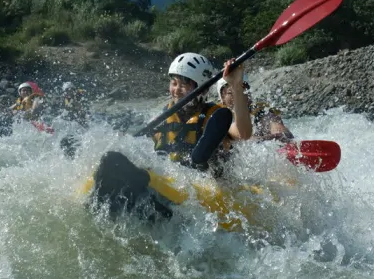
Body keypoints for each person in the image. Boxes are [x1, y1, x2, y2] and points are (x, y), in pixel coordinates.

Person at [88, 52, 252, 221]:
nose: (176, 90)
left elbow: (244, 133)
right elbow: (134, 147)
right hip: (168, 182)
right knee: (112, 160)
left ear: (201, 87)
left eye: (184, 84)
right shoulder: (161, 117)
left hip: (203, 191)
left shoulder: (216, 117)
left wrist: (236, 85)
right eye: (174, 83)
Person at [216, 73, 294, 142]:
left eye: (242, 89)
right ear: (222, 98)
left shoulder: (261, 114)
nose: (239, 95)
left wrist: (280, 135)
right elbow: (241, 134)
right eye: (231, 92)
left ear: (249, 94)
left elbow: (285, 135)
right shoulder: (222, 121)